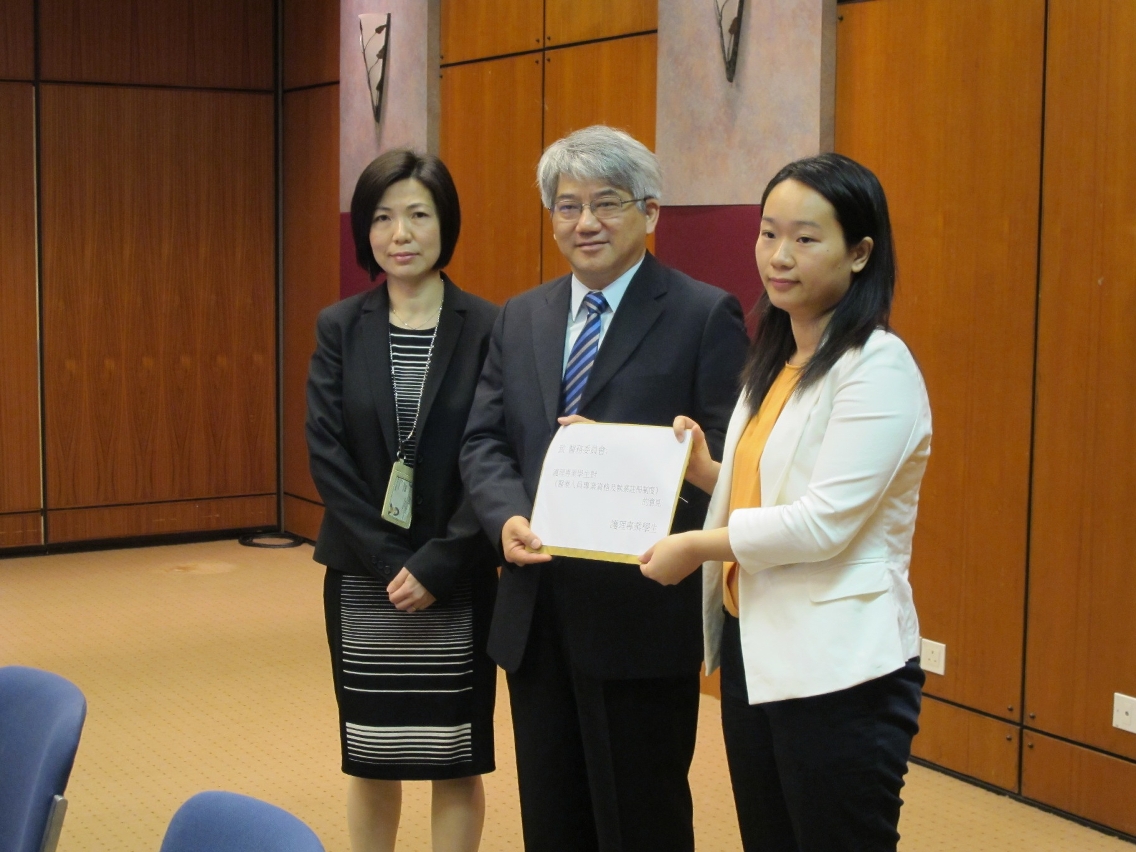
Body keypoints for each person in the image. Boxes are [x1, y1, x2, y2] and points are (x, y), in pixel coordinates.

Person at [460, 125, 749, 852]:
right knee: (552, 817)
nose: (585, 222)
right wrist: (505, 517)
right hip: (537, 609)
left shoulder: (701, 313)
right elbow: (485, 440)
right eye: (567, 206)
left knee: (641, 818)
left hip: (640, 614)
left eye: (607, 203)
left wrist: (627, 461)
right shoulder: (522, 315)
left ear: (651, 213)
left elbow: (728, 465)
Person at [640, 152, 932, 851]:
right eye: (769, 233)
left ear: (860, 252)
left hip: (840, 667)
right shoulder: (778, 357)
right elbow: (771, 492)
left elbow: (822, 522)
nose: (779, 255)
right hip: (756, 649)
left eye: (806, 238)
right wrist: (703, 469)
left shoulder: (877, 365)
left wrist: (695, 546)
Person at [306, 149, 499, 852]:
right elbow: (326, 453)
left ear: (445, 224)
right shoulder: (339, 327)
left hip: (457, 573)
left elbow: (497, 450)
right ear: (365, 231)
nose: (401, 233)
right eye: (383, 217)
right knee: (371, 751)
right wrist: (393, 562)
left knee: (454, 758)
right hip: (365, 577)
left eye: (419, 214)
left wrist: (440, 564)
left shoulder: (489, 326)